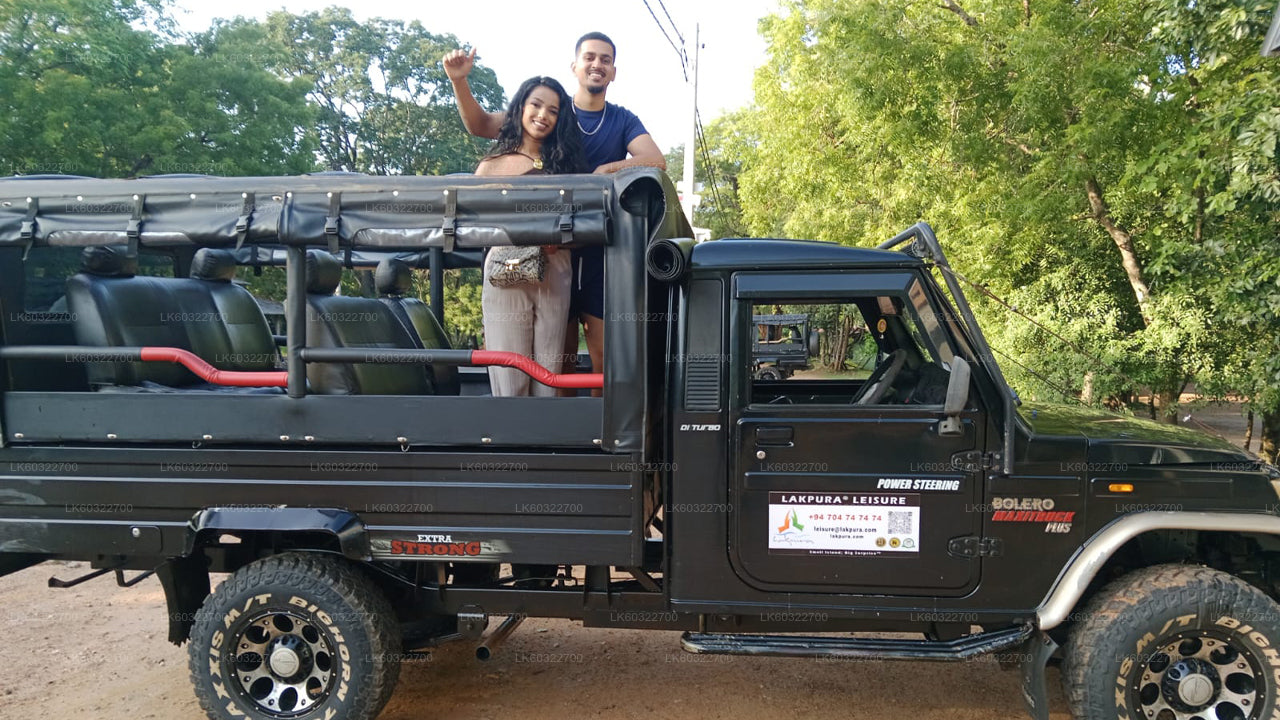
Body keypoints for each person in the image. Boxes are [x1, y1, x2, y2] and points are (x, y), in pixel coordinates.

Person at [444, 32, 666, 395]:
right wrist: (459, 81)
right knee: (544, 362)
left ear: (614, 71)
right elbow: (480, 124)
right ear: (574, 65)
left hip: (591, 252)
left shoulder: (619, 120)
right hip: (523, 257)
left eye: (605, 59)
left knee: (587, 358)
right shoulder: (548, 110)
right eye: (589, 57)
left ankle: (592, 428)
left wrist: (603, 172)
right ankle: (540, 427)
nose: (597, 64)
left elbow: (656, 160)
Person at [475, 76, 587, 398]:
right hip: (505, 267)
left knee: (549, 376)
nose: (542, 115)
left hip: (557, 268)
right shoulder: (491, 166)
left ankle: (544, 432)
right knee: (509, 375)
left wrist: (560, 240)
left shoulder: (569, 166)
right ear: (521, 108)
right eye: (536, 105)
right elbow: (475, 224)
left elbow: (586, 225)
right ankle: (510, 432)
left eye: (553, 110)